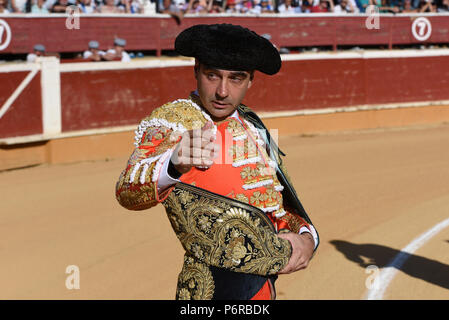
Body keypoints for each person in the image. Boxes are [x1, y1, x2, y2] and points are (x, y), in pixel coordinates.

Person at [115, 24, 319, 300]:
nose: (222, 91)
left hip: (261, 288)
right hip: (209, 289)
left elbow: (279, 204)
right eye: (213, 76)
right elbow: (127, 190)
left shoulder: (253, 126)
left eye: (236, 79)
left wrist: (307, 239)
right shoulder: (174, 120)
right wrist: (173, 164)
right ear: (196, 70)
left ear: (250, 81)